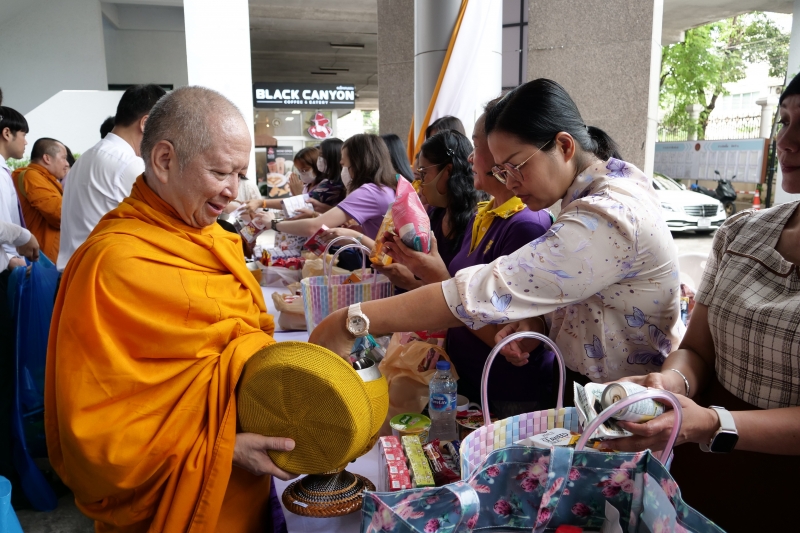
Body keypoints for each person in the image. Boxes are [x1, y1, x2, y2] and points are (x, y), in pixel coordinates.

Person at [309, 79, 683, 395]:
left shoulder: (608, 214)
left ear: (565, 147)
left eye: (516, 166)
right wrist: (540, 320)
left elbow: (482, 290)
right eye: (501, 170)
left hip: (622, 395)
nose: (510, 182)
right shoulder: (601, 189)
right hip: (599, 384)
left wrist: (350, 320)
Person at [45, 86, 295, 532]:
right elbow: (96, 434)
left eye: (240, 174)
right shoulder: (111, 264)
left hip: (245, 488)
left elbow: (250, 335)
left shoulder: (217, 238)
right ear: (163, 160)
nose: (233, 193)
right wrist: (225, 449)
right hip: (176, 497)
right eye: (221, 172)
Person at [607, 74, 800, 533]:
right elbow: (698, 348)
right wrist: (673, 381)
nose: (787, 141)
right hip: (702, 462)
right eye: (785, 120)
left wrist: (714, 423)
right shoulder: (741, 233)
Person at [378, 110, 555, 416]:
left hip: (509, 393)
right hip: (468, 379)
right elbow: (459, 293)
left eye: (478, 146)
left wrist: (436, 278)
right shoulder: (481, 215)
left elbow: (511, 342)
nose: (470, 159)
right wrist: (423, 269)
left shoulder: (526, 225)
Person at [58, 84, 166, 271]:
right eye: (164, 130)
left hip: (74, 275)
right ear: (145, 124)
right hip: (100, 278)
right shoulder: (129, 164)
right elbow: (164, 225)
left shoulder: (85, 158)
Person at [254, 134, 398, 250]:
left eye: (343, 164)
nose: (343, 169)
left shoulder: (369, 192)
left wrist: (273, 223)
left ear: (358, 164)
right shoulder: (384, 188)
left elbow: (314, 226)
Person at [12, 138, 69, 262]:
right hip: (42, 259)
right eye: (63, 158)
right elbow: (59, 215)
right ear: (47, 158)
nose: (67, 164)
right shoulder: (32, 176)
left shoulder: (44, 178)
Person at [0, 106, 29, 270]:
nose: (25, 141)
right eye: (23, 135)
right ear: (7, 133)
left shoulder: (4, 170)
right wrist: (11, 258)